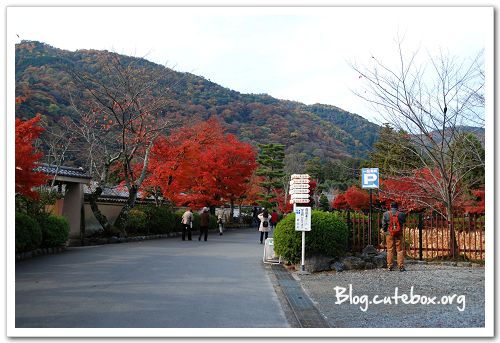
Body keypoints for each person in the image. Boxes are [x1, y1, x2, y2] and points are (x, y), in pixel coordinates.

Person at [382, 202, 406, 272]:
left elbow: (383, 225)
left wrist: (385, 231)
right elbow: (403, 222)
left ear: (390, 206)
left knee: (390, 249)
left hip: (389, 233)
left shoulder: (386, 214)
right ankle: (401, 266)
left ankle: (389, 266)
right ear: (397, 207)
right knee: (400, 250)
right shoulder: (402, 214)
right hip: (399, 233)